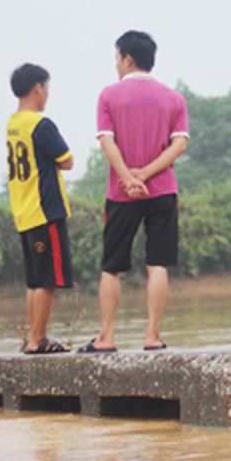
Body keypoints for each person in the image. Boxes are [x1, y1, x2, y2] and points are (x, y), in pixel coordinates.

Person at [78, 30, 189, 353]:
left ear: (127, 58)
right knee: (158, 263)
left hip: (121, 194)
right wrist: (148, 173)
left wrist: (128, 177)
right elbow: (179, 144)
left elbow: (106, 141)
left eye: (117, 57)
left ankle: (107, 337)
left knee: (111, 267)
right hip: (163, 191)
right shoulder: (174, 98)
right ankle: (152, 336)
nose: (116, 64)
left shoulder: (109, 96)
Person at [6, 63, 75, 354]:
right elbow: (67, 160)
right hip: (44, 211)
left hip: (23, 211)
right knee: (47, 280)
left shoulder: (13, 124)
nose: (47, 94)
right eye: (46, 88)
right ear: (38, 88)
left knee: (34, 281)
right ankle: (39, 339)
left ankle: (34, 338)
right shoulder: (40, 125)